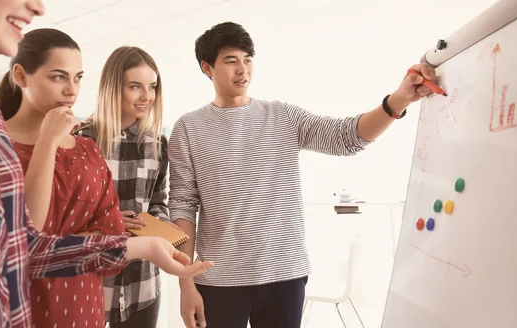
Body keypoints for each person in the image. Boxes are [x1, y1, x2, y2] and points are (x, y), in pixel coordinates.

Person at [0, 0, 211, 327]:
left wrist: (147, 242)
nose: (37, 3)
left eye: (77, 77)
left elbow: (23, 246)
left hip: (90, 299)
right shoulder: (55, 132)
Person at [169, 22, 436, 328]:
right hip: (218, 280)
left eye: (248, 60)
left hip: (284, 276)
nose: (242, 69)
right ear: (207, 68)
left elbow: (345, 137)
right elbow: (182, 205)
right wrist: (185, 282)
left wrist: (398, 100)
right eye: (231, 61)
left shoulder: (282, 116)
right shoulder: (188, 129)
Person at [0, 28, 128, 328]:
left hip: (85, 309)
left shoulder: (87, 150)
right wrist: (47, 142)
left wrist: (54, 245)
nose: (71, 90)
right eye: (58, 77)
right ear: (20, 75)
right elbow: (21, 241)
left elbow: (113, 239)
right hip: (21, 312)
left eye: (78, 77)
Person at [77, 46, 173, 328]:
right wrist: (112, 222)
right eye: (135, 86)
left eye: (152, 86)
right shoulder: (82, 140)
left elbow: (157, 201)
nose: (147, 96)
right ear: (113, 88)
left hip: (141, 282)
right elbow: (67, 217)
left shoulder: (158, 145)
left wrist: (163, 226)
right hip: (91, 276)